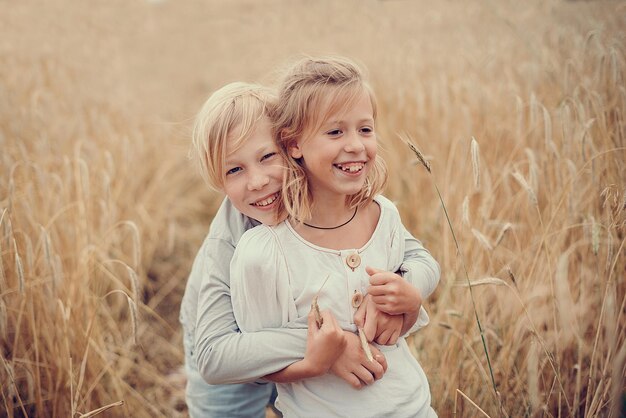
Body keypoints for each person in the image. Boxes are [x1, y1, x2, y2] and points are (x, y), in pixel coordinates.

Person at [182, 80, 439, 417]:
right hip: (233, 351)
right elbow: (216, 355)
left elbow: (417, 257)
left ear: (294, 147)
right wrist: (335, 344)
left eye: (268, 156)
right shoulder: (234, 231)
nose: (258, 181)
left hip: (306, 359)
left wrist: (403, 292)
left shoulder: (334, 200)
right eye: (234, 169)